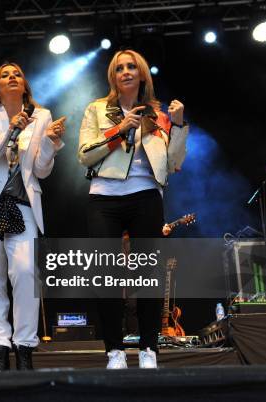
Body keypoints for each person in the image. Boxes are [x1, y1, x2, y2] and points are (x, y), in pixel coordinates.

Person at [78, 49, 188, 369]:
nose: (125, 71)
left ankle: (148, 349)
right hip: (104, 197)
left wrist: (178, 126)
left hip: (146, 196)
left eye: (131, 67)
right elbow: (85, 155)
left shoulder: (158, 114)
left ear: (141, 74)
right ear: (113, 76)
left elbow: (173, 163)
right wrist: (119, 129)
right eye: (119, 68)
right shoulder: (98, 109)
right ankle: (114, 350)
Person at [0, 62, 65, 371]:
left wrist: (50, 142)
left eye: (17, 73)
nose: (11, 77)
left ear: (24, 85)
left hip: (22, 204)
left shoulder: (42, 115)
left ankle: (24, 347)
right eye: (5, 75)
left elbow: (42, 170)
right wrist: (10, 130)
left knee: (24, 274)